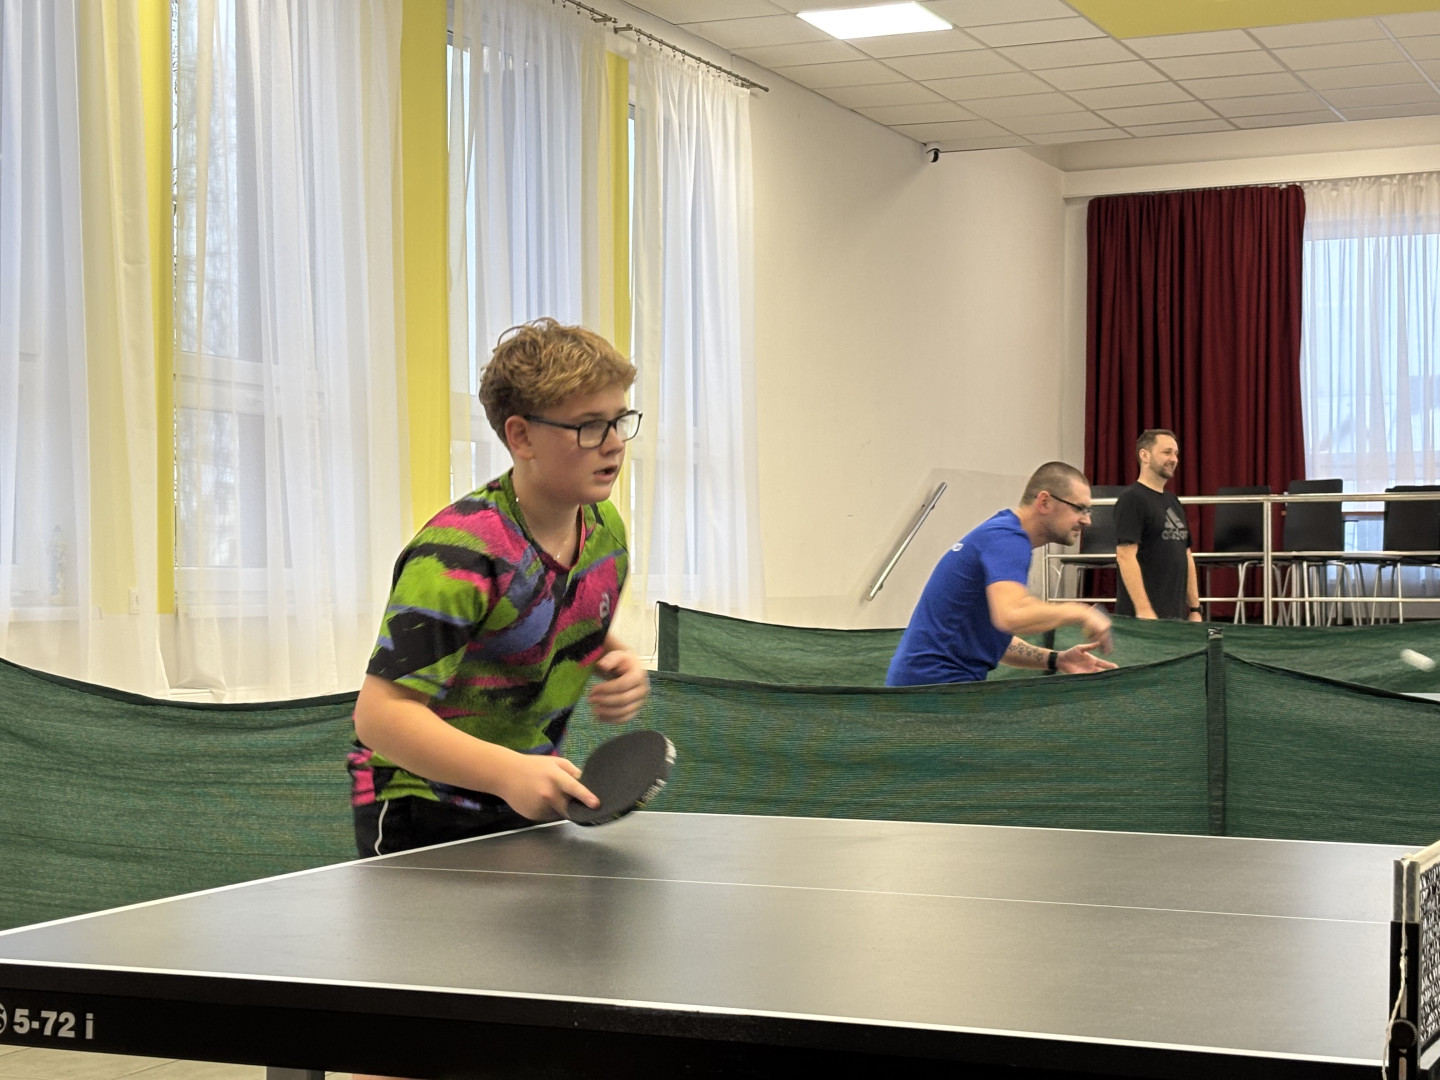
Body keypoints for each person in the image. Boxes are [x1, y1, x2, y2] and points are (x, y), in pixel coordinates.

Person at [348, 318, 651, 860]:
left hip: (525, 799)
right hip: (421, 809)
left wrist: (614, 654)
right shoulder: (460, 554)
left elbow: (547, 611)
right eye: (588, 426)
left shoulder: (606, 533)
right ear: (521, 436)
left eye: (619, 421)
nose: (613, 445)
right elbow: (380, 716)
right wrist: (509, 772)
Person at [886, 462, 1117, 686]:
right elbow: (1011, 615)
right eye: (1079, 508)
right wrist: (1080, 612)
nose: (1087, 520)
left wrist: (1057, 659)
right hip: (932, 689)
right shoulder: (1007, 539)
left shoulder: (1002, 536)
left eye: (1088, 510)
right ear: (1044, 502)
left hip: (931, 686)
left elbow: (994, 637)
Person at [1113, 429, 1202, 622]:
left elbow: (1186, 554)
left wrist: (1195, 608)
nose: (1174, 459)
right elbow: (1125, 556)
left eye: (1176, 453)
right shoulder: (1132, 499)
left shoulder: (1172, 501)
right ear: (1144, 455)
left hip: (1175, 616)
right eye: (1167, 452)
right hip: (1142, 620)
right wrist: (1143, 609)